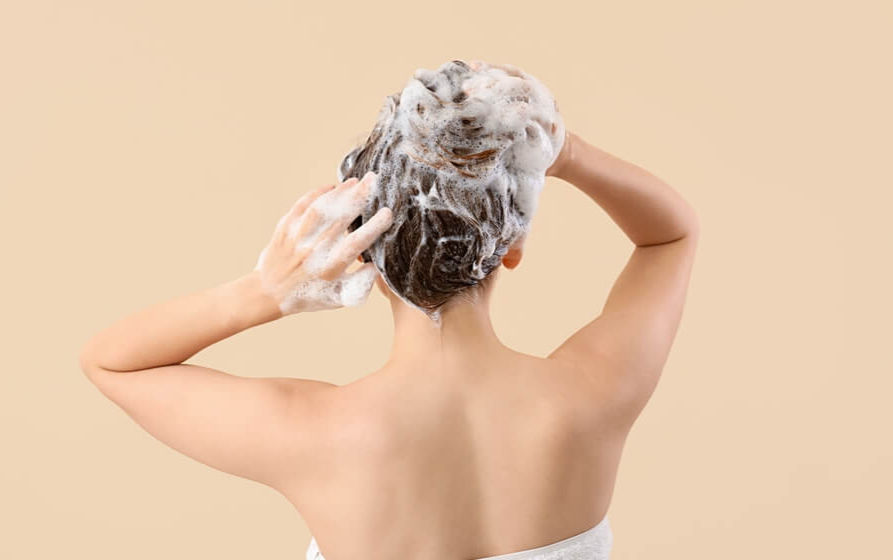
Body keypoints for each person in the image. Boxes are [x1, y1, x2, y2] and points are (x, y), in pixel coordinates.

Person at [80, 62, 699, 560]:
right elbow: (671, 235)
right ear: (511, 248)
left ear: (362, 253)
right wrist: (561, 151)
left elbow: (112, 363)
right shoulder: (592, 394)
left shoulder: (313, 432)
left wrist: (267, 290)